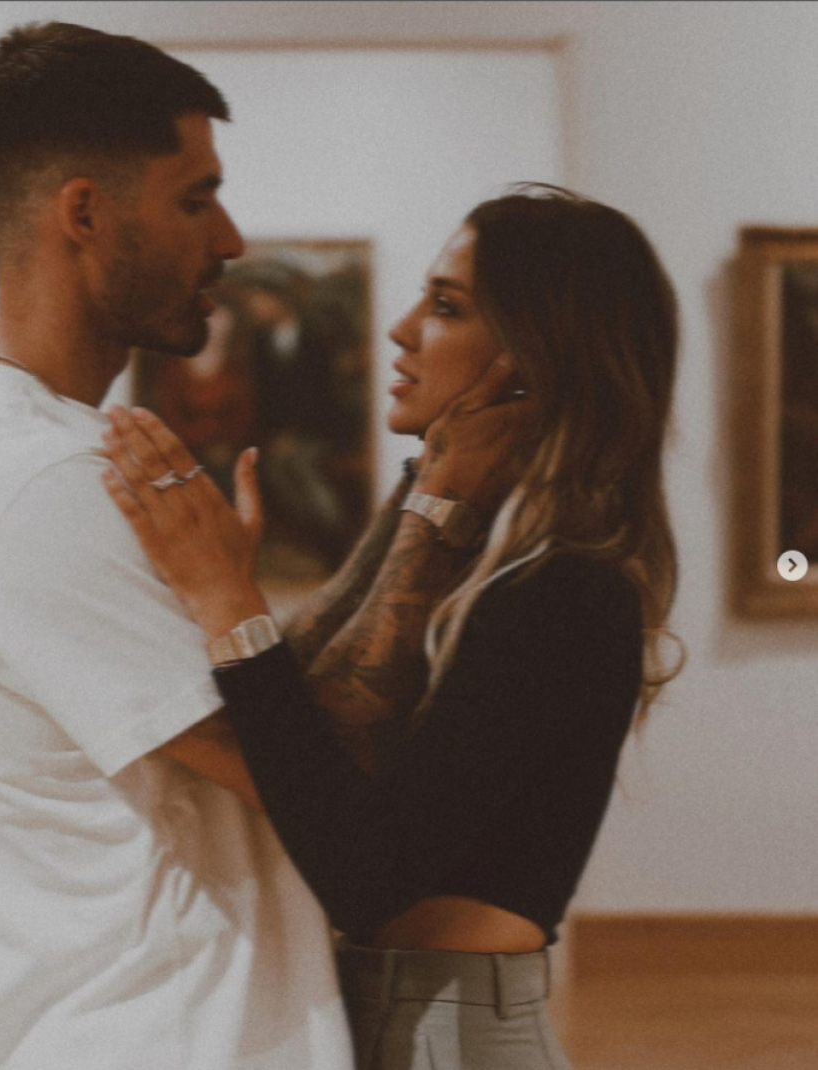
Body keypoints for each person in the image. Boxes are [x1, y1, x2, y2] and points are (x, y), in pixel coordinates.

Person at [100, 184, 682, 1070]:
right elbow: (314, 713)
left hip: (452, 1030)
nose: (402, 330)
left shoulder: (565, 588)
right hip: (398, 1012)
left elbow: (366, 869)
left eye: (445, 306)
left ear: (534, 358)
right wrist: (427, 489)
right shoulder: (493, 561)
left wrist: (229, 601)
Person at [0, 22, 356, 1070]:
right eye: (196, 199)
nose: (231, 239)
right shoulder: (47, 482)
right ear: (84, 213)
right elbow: (306, 786)